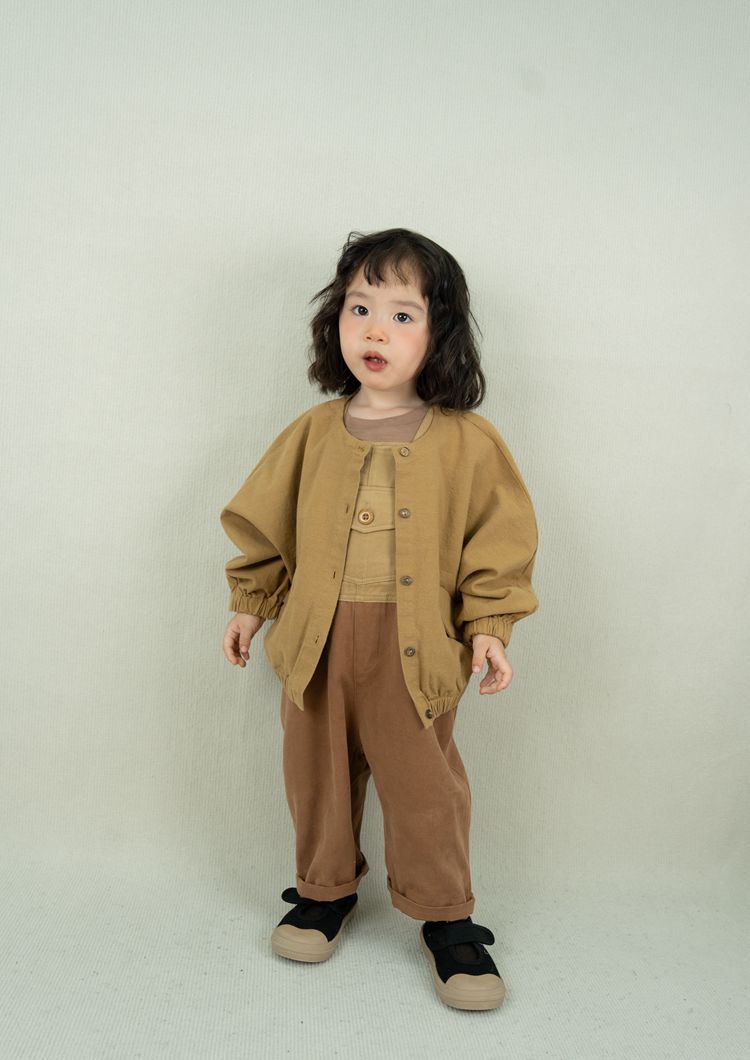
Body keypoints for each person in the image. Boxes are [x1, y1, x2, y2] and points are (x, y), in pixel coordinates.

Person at [219, 227, 540, 1011]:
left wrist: (490, 626)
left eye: (402, 315)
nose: (375, 330)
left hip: (415, 650)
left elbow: (497, 543)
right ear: (335, 320)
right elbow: (266, 528)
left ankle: (448, 917)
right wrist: (250, 606)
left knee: (425, 787)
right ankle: (323, 892)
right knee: (316, 777)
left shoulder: (468, 443)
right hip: (316, 645)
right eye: (359, 308)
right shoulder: (311, 435)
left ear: (439, 334)